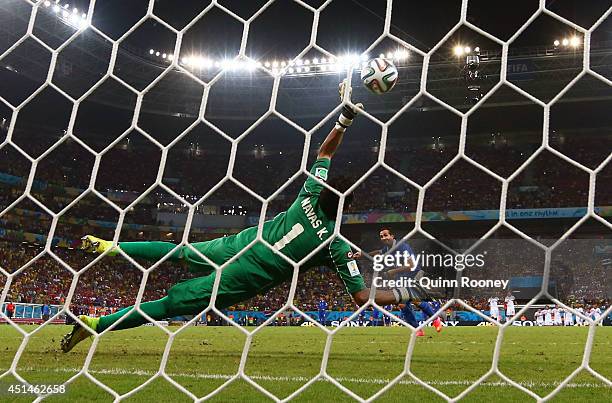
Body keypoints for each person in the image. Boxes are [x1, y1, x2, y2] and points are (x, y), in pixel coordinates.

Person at [60, 82, 420, 353]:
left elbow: (324, 151)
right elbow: (361, 297)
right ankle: (95, 325)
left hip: (239, 245)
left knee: (180, 251)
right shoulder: (334, 244)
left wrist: (344, 119)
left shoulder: (310, 192)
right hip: (245, 276)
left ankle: (111, 246)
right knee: (173, 302)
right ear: (344, 209)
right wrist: (408, 292)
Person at [354, 228, 442, 336]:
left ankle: (435, 319)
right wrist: (362, 254)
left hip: (414, 274)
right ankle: (417, 329)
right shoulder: (387, 248)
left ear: (392, 236)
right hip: (401, 277)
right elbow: (378, 252)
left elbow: (411, 266)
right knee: (402, 304)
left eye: (386, 235)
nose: (383, 238)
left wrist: (393, 271)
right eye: (381, 236)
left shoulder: (402, 246)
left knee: (414, 300)